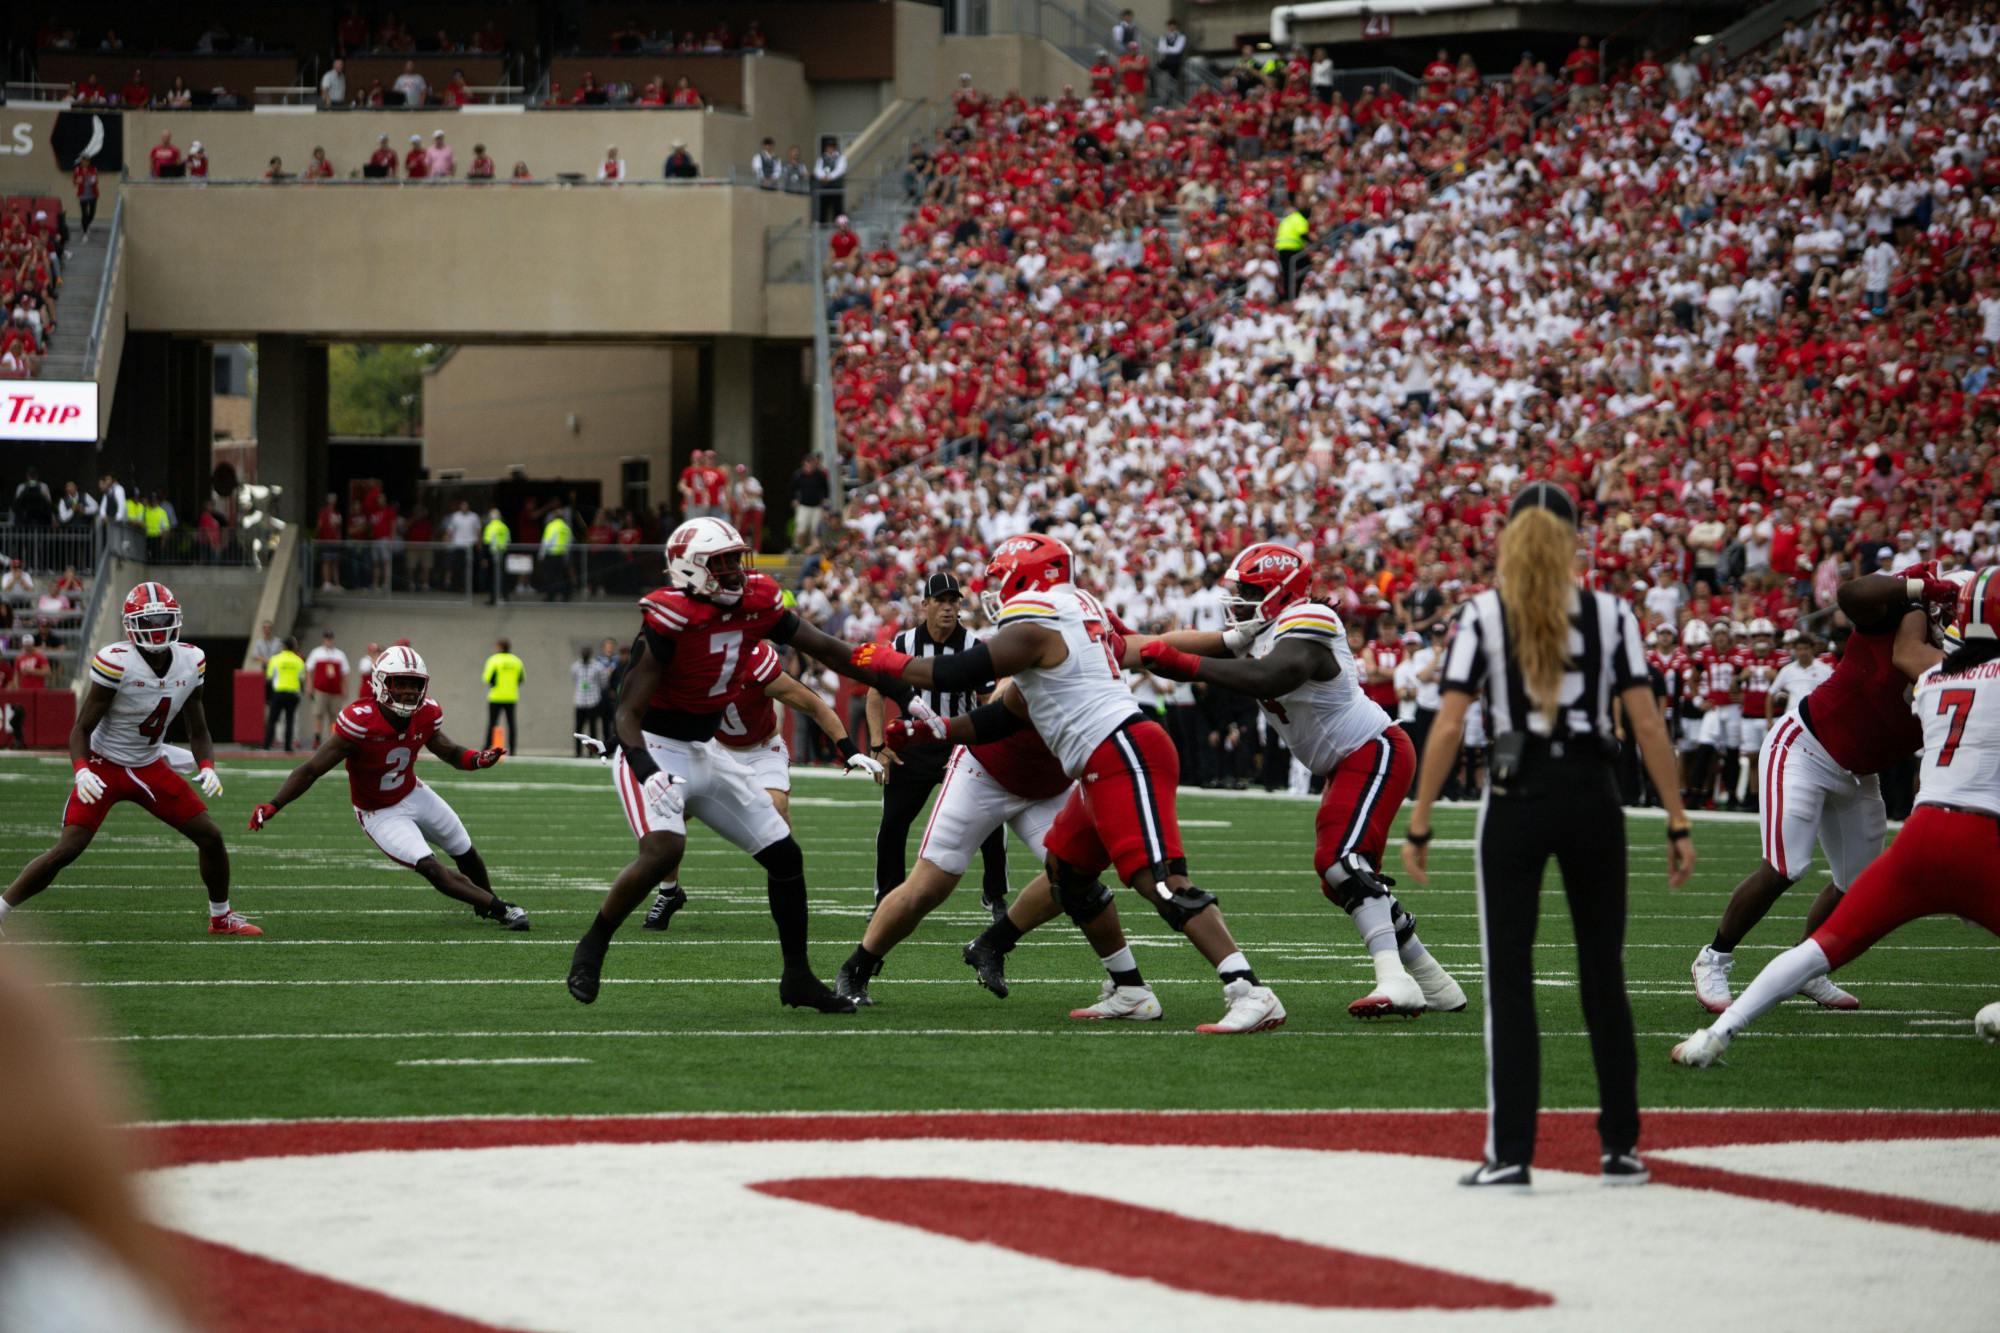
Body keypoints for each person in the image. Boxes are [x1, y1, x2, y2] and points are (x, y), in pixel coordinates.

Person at [837, 534, 1286, 1033]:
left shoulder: (1039, 628)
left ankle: (1248, 988)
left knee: (1153, 878)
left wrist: (881, 662)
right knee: (1049, 874)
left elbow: (1138, 649)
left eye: (1003, 580)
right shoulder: (1075, 617)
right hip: (1000, 768)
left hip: (1094, 759)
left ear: (1029, 581)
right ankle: (1127, 988)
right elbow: (1012, 710)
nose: (995, 594)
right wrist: (938, 729)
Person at [1401, 484, 1693, 1189]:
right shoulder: (1611, 613)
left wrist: (1420, 817)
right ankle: (1620, 1147)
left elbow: (1448, 722)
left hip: (1517, 795)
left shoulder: (1483, 615)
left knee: (1509, 978)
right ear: (1571, 539)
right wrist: (1677, 818)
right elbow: (1647, 723)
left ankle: (1511, 1152)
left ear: (1509, 537)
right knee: (1603, 974)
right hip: (1594, 796)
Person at [1675, 572, 2000, 1066]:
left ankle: (1805, 968)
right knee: (1787, 865)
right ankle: (1713, 956)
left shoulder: (1941, 662)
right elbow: (1852, 596)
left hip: (1860, 773)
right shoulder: (1914, 627)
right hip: (1806, 746)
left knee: (1856, 882)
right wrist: (1916, 591)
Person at [566, 516, 881, 1013]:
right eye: (723, 562)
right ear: (692, 569)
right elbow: (625, 713)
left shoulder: (751, 612)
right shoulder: (667, 624)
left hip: (707, 750)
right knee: (664, 848)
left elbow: (827, 648)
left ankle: (797, 977)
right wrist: (647, 770)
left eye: (737, 559)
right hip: (654, 745)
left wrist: (901, 676)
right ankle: (593, 945)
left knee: (785, 855)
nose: (736, 571)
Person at [1139, 543, 1466, 1017]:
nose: (1241, 599)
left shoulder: (1309, 619)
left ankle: (1396, 981)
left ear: (1280, 591)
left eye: (1251, 590)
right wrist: (1130, 645)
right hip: (1345, 761)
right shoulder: (1262, 628)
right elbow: (1175, 643)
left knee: (1341, 861)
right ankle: (1436, 984)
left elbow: (1273, 674)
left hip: (1374, 749)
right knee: (1339, 879)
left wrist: (1184, 666)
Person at [0, 583, 259, 938]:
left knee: (210, 836)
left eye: (163, 620)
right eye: (148, 621)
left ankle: (221, 917)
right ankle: (1, 909)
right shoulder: (116, 662)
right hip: (105, 765)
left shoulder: (191, 659)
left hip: (149, 764)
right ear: (130, 626)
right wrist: (82, 770)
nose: (156, 628)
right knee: (67, 848)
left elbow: (197, 726)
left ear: (176, 619)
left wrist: (207, 765)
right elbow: (81, 729)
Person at [250, 646, 525, 930]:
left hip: (412, 792)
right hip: (378, 812)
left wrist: (478, 759)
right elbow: (311, 770)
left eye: (414, 684)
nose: (408, 691)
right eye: (400, 683)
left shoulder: (427, 713)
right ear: (381, 683)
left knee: (465, 851)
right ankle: (502, 909)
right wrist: (275, 804)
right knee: (430, 867)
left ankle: (487, 903)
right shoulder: (360, 721)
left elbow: (451, 752)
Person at [641, 638, 885, 931]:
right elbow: (652, 709)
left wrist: (849, 749)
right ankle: (669, 892)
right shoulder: (690, 664)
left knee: (776, 808)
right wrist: (620, 743)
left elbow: (814, 706)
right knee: (670, 807)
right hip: (712, 749)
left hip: (761, 750)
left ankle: (790, 889)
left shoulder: (756, 665)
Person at [862, 575, 1011, 919]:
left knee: (990, 820)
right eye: (940, 601)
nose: (947, 608)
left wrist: (989, 746)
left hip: (958, 745)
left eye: (953, 601)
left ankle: (995, 895)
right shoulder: (903, 644)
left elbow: (988, 701)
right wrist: (877, 746)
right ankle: (887, 897)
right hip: (912, 746)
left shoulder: (974, 645)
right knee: (893, 823)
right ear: (924, 605)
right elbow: (874, 692)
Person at [303, 629, 349, 747]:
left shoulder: (339, 654)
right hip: (320, 689)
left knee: (334, 715)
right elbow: (309, 670)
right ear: (323, 639)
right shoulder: (316, 653)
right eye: (327, 638)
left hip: (335, 691)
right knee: (318, 714)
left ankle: (333, 738)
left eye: (330, 639)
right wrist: (309, 685)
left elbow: (345, 673)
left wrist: (344, 688)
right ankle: (317, 738)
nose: (328, 641)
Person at [481, 638, 524, 750]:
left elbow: (487, 678)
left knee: (492, 723)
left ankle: (487, 747)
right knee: (511, 723)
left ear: (500, 647)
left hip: (496, 697)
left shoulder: (493, 660)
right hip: (511, 697)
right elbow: (521, 679)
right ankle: (513, 749)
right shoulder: (517, 661)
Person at [264, 637, 305, 751]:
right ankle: (288, 747)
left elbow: (269, 678)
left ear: (284, 646)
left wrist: (268, 697)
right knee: (290, 721)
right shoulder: (298, 661)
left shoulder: (275, 659)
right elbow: (301, 679)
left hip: (279, 693)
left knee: (272, 720)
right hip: (293, 694)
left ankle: (267, 745)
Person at [791, 453, 831, 549]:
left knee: (815, 530)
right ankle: (797, 547)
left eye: (811, 464)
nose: (809, 466)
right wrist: (794, 499)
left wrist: (825, 506)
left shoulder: (820, 475)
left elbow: (826, 490)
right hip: (803, 506)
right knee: (801, 528)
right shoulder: (798, 475)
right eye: (807, 464)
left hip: (816, 507)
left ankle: (813, 549)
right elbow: (792, 489)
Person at [572, 644, 604, 755]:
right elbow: (575, 680)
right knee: (578, 729)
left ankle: (592, 753)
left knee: (592, 729)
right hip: (580, 701)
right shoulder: (575, 666)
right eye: (583, 653)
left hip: (593, 701)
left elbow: (602, 683)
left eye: (587, 653)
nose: (585, 655)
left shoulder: (597, 667)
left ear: (590, 654)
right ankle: (578, 753)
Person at [812, 139, 847, 225]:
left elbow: (840, 170)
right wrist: (823, 177)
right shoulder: (821, 158)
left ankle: (840, 228)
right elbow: (817, 170)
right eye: (828, 147)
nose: (830, 149)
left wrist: (829, 177)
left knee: (838, 210)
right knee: (823, 210)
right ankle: (822, 228)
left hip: (836, 188)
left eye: (831, 147)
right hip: (824, 188)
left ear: (835, 148)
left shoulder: (841, 158)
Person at [72, 153, 99, 236]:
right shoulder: (77, 169)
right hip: (82, 195)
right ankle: (85, 231)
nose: (85, 162)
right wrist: (77, 181)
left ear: (89, 161)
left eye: (87, 161)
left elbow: (96, 180)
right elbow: (74, 181)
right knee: (84, 213)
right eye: (83, 161)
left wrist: (94, 180)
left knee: (92, 213)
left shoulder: (93, 169)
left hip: (92, 194)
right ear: (81, 161)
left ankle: (85, 225)